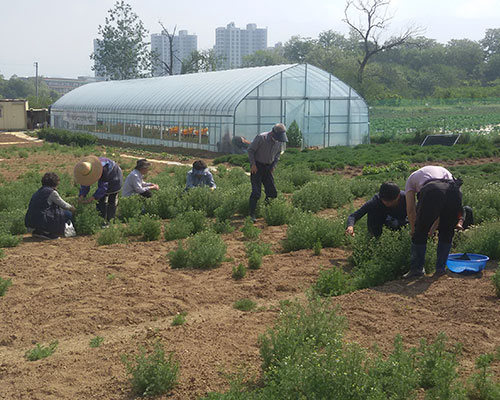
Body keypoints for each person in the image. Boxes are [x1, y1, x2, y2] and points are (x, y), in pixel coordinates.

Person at [404, 165, 462, 278]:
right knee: (447, 231)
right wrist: (432, 228)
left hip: (432, 190)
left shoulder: (411, 178)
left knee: (420, 232)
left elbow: (410, 210)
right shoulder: (444, 170)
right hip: (454, 191)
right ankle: (440, 269)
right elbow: (440, 208)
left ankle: (417, 270)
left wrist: (414, 230)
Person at [248, 123, 288, 222]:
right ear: (273, 133)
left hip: (268, 168)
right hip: (257, 167)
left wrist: (273, 165)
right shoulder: (261, 138)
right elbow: (251, 150)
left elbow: (278, 154)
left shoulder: (279, 141)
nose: (279, 139)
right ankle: (251, 214)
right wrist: (253, 164)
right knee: (256, 192)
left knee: (272, 192)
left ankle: (266, 210)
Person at [25, 172, 76, 239]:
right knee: (68, 214)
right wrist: (72, 208)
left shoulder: (39, 191)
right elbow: (63, 205)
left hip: (30, 221)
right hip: (43, 220)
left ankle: (39, 231)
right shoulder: (51, 192)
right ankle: (48, 232)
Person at [74, 155, 123, 222]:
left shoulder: (104, 169)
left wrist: (93, 198)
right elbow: (85, 183)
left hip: (115, 176)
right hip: (105, 175)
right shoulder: (85, 167)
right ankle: (100, 218)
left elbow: (103, 187)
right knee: (100, 202)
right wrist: (81, 195)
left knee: (111, 198)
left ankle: (109, 220)